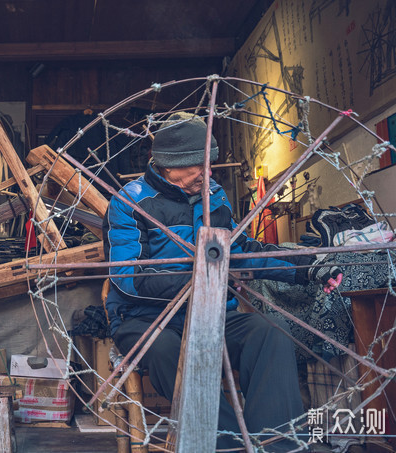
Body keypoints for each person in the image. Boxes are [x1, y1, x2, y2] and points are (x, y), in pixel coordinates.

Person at [103, 112, 341, 452]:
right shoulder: (129, 201)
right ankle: (228, 445)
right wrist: (196, 278)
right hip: (146, 319)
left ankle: (277, 444)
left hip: (211, 314)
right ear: (170, 164)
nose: (208, 173)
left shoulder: (215, 196)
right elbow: (125, 277)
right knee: (169, 350)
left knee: (269, 333)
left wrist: (306, 268)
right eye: (198, 165)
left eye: (209, 164)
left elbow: (240, 252)